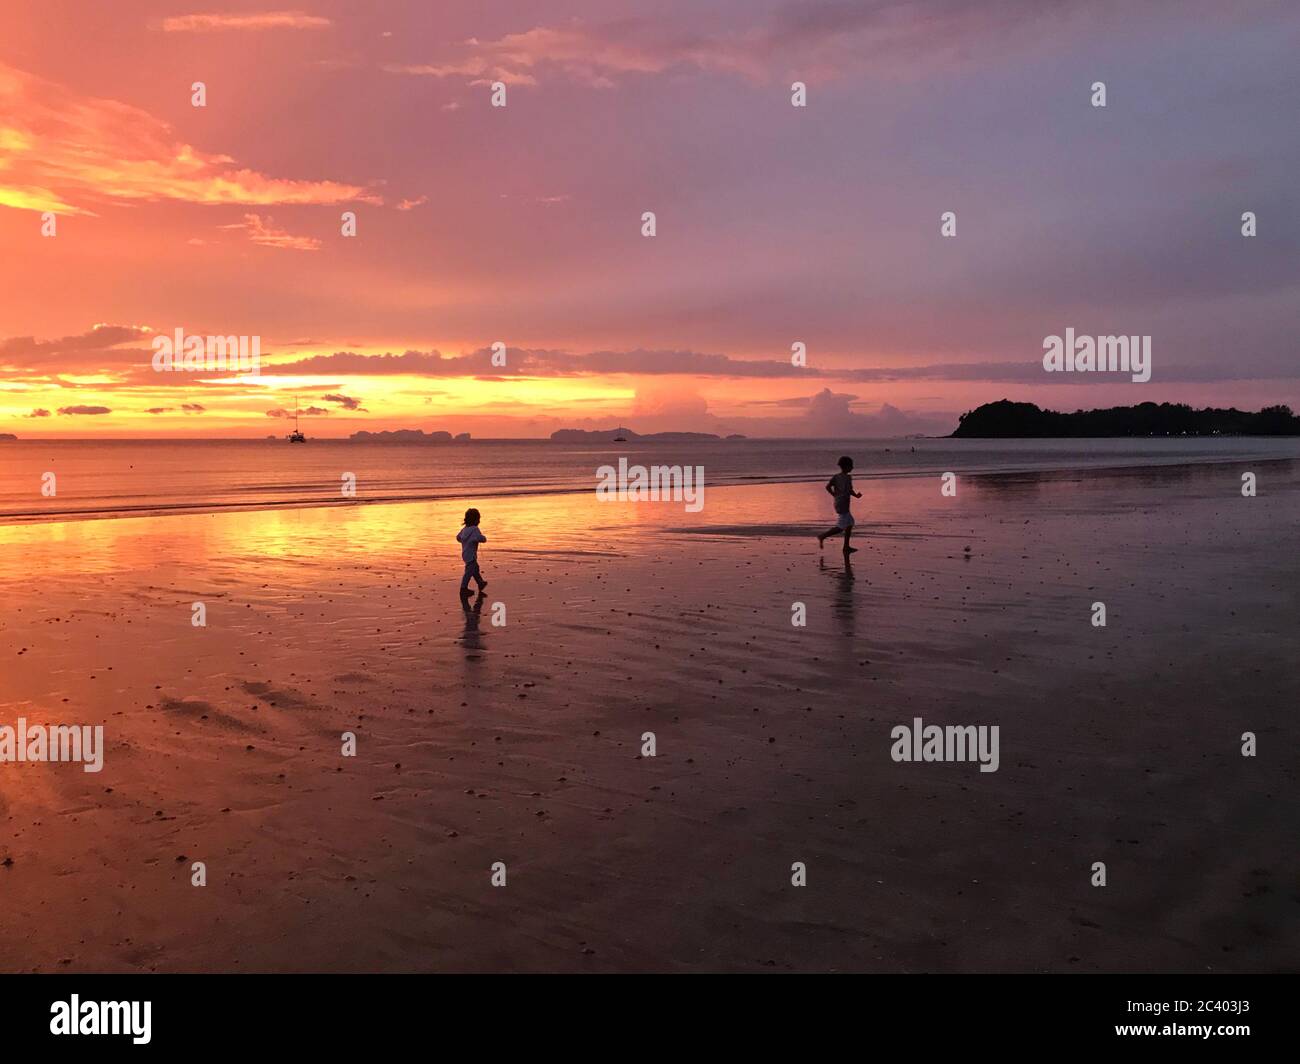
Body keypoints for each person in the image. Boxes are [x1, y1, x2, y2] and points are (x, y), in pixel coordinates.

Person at [817, 456, 862, 553]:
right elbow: (849, 490)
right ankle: (823, 536)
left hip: (838, 502)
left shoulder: (836, 477)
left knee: (850, 523)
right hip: (843, 504)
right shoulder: (848, 478)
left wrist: (834, 495)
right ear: (846, 466)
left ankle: (846, 546)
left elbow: (828, 487)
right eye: (851, 466)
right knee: (841, 526)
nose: (852, 468)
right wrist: (856, 495)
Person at [456, 508, 488, 594]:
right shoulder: (475, 529)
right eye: (478, 519)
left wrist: (463, 540)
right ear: (475, 520)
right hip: (471, 555)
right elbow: (480, 538)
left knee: (475, 568)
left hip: (465, 554)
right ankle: (463, 588)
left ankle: (480, 582)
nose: (479, 521)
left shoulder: (464, 529)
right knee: (469, 572)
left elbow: (458, 537)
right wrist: (483, 538)